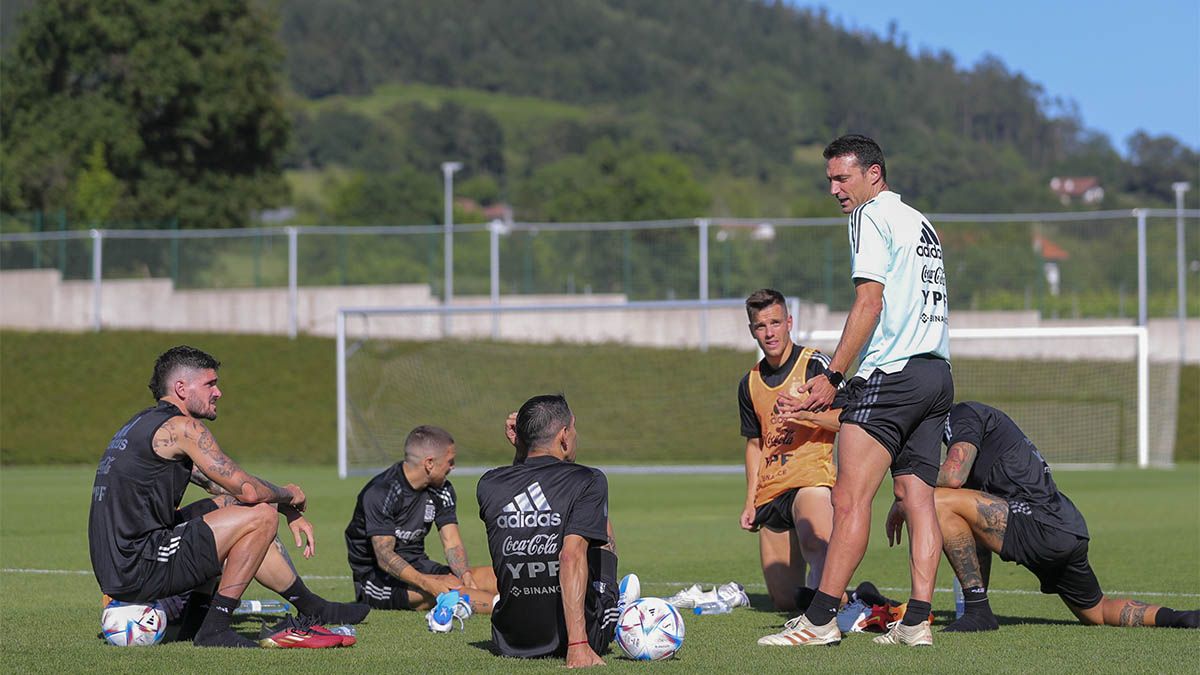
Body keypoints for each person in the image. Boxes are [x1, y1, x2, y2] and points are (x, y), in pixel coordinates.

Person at [759, 134, 952, 647]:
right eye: (829, 180)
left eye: (842, 177)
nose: (834, 189)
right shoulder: (920, 220)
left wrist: (833, 377)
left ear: (873, 174)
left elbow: (869, 302)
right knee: (917, 498)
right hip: (937, 374)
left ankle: (820, 621)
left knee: (849, 499)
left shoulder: (869, 216)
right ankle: (918, 622)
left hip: (893, 374)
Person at [88, 346, 369, 648]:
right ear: (181, 388)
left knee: (232, 507)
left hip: (121, 564)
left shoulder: (141, 425)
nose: (218, 392)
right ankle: (216, 628)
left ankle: (297, 608)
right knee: (260, 516)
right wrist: (291, 495)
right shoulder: (183, 428)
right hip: (138, 566)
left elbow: (224, 488)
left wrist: (285, 505)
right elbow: (247, 489)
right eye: (210, 384)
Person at [887, 401, 1199, 632]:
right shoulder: (976, 432)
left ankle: (978, 611)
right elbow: (970, 517)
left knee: (940, 499)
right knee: (1097, 612)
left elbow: (953, 476)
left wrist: (906, 491)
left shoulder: (961, 415)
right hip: (1066, 526)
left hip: (1039, 523)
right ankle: (1182, 617)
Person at [477, 394, 625, 669]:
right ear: (564, 436)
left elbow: (524, 485)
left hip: (511, 640)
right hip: (577, 637)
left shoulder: (488, 483)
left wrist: (522, 451)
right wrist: (579, 645)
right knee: (596, 522)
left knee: (576, 516)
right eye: (573, 427)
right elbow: (569, 556)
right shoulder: (589, 479)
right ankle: (611, 596)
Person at [736, 288, 842, 610]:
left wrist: (804, 412)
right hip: (771, 490)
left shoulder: (816, 364)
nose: (769, 333)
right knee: (784, 601)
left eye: (775, 322)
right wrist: (750, 500)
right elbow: (755, 444)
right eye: (760, 326)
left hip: (809, 480)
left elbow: (850, 420)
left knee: (815, 544)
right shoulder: (749, 383)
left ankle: (842, 606)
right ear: (752, 330)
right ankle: (842, 598)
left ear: (789, 322)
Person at [345, 425, 499, 619]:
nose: (453, 467)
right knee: (452, 587)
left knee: (492, 576)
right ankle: (512, 610)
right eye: (449, 461)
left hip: (419, 565)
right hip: (378, 581)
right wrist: (429, 583)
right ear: (429, 463)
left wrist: (465, 574)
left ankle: (538, 595)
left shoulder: (442, 489)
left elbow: (451, 541)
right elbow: (384, 556)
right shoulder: (381, 492)